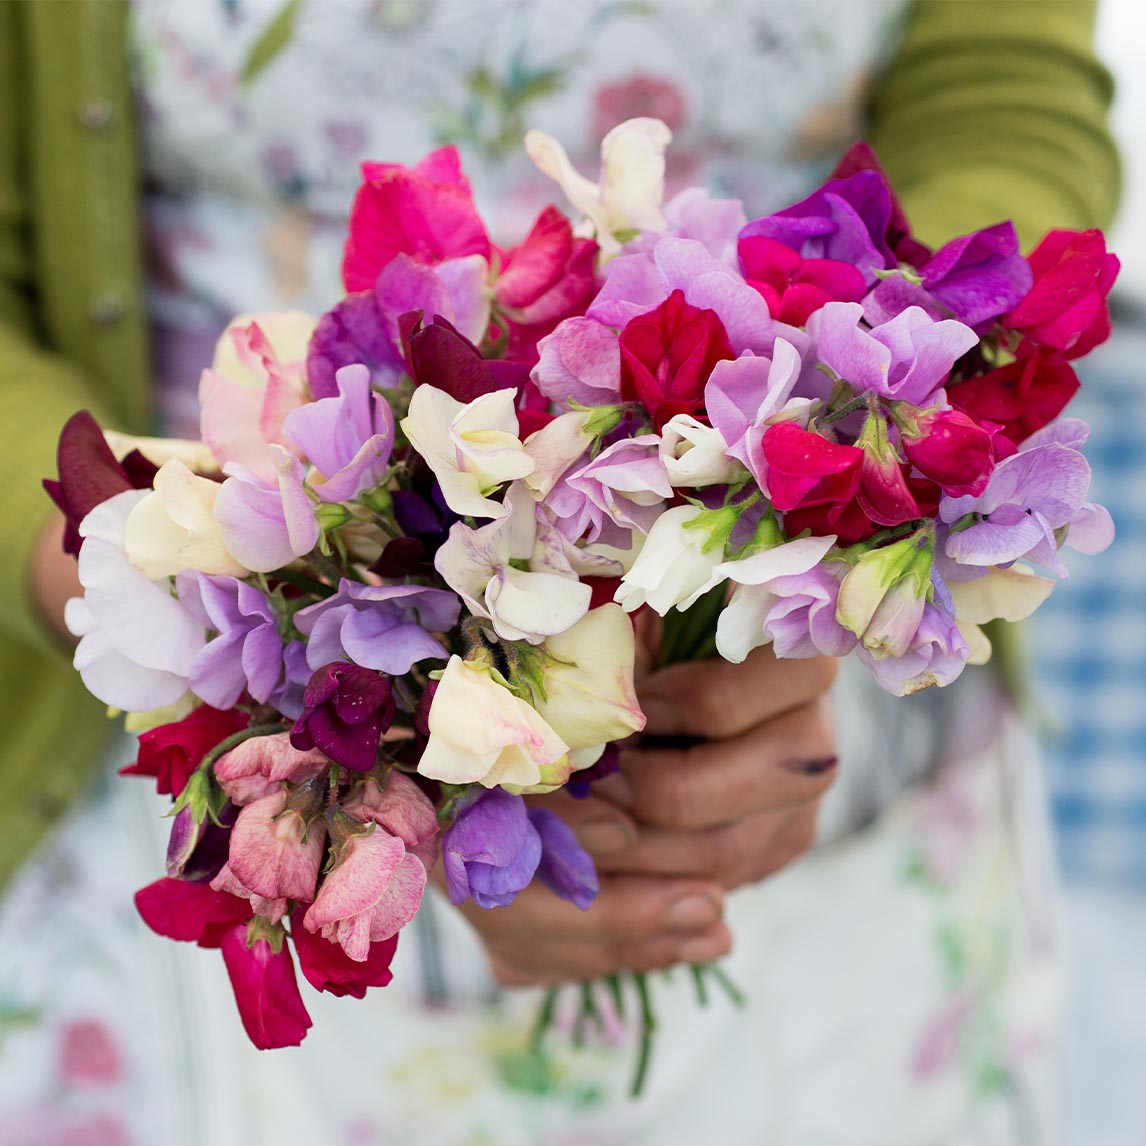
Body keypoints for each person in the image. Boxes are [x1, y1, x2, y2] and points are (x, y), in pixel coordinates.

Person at [0, 1, 1119, 1143]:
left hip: (805, 630)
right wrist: (157, 570)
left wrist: (851, 446)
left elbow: (998, 101)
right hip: (242, 649)